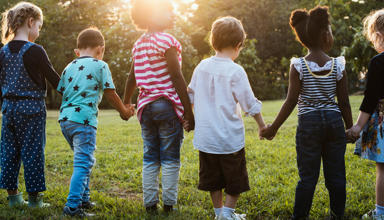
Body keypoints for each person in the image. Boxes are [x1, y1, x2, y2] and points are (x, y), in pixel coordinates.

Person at [261, 6, 353, 220]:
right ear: (324, 35)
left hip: (308, 124)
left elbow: (291, 100)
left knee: (308, 177)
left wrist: (273, 128)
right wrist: (349, 128)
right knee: (336, 175)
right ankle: (337, 215)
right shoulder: (337, 65)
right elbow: (345, 102)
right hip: (333, 122)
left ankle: (300, 216)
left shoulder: (299, 65)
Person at [187, 16, 266, 220]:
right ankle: (227, 214)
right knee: (235, 178)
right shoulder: (235, 71)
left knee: (213, 178)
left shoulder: (201, 67)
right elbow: (249, 102)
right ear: (238, 45)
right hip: (229, 139)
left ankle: (219, 213)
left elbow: (190, 96)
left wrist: (187, 118)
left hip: (206, 138)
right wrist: (262, 126)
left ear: (213, 41)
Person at [123, 0, 195, 214]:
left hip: (146, 109)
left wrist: (127, 102)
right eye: (166, 10)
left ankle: (150, 204)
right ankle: (169, 204)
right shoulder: (167, 41)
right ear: (151, 15)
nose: (172, 13)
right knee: (171, 156)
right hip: (166, 105)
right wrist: (189, 111)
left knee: (150, 155)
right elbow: (176, 76)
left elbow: (132, 77)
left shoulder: (138, 44)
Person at [59, 27, 134, 217]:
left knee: (82, 159)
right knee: (83, 163)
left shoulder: (68, 66)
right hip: (84, 121)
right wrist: (124, 111)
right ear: (101, 49)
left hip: (65, 121)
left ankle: (84, 198)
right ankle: (73, 206)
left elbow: (62, 89)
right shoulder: (100, 65)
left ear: (77, 51)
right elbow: (110, 92)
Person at [0, 1, 61, 208]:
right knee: (33, 152)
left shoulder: (3, 52)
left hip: (8, 110)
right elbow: (56, 81)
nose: (38, 31)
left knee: (9, 152)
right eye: (39, 27)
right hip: (32, 109)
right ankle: (35, 200)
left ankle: (14, 198)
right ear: (30, 21)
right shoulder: (35, 50)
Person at [348, 8, 384, 220]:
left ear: (378, 36)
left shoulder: (378, 63)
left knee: (383, 170)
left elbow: (369, 100)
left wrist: (357, 127)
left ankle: (380, 213)